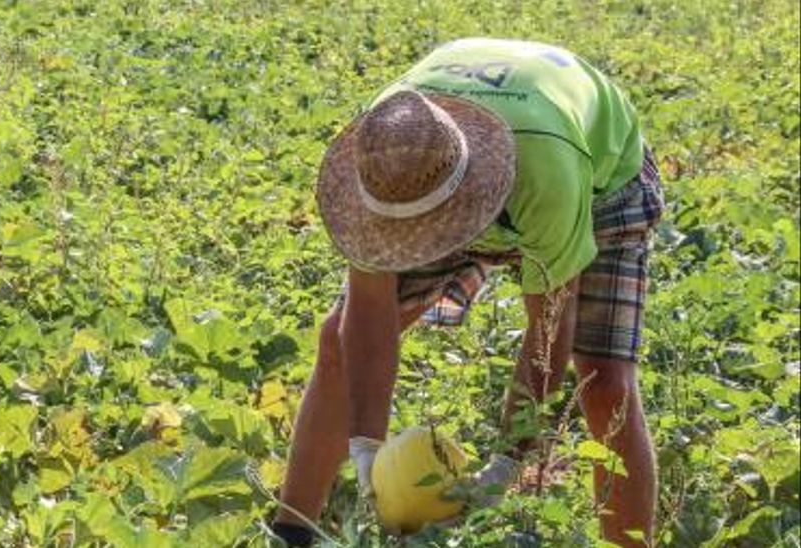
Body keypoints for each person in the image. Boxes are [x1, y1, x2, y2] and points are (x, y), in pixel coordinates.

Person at [270, 38, 664, 547]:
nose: (428, 244)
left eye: (435, 227)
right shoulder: (382, 156)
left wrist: (508, 460)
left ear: (464, 198)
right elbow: (368, 320)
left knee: (605, 385)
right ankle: (290, 534)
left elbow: (549, 331)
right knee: (335, 345)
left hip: (598, 174)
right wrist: (367, 448)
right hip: (449, 170)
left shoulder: (547, 172)